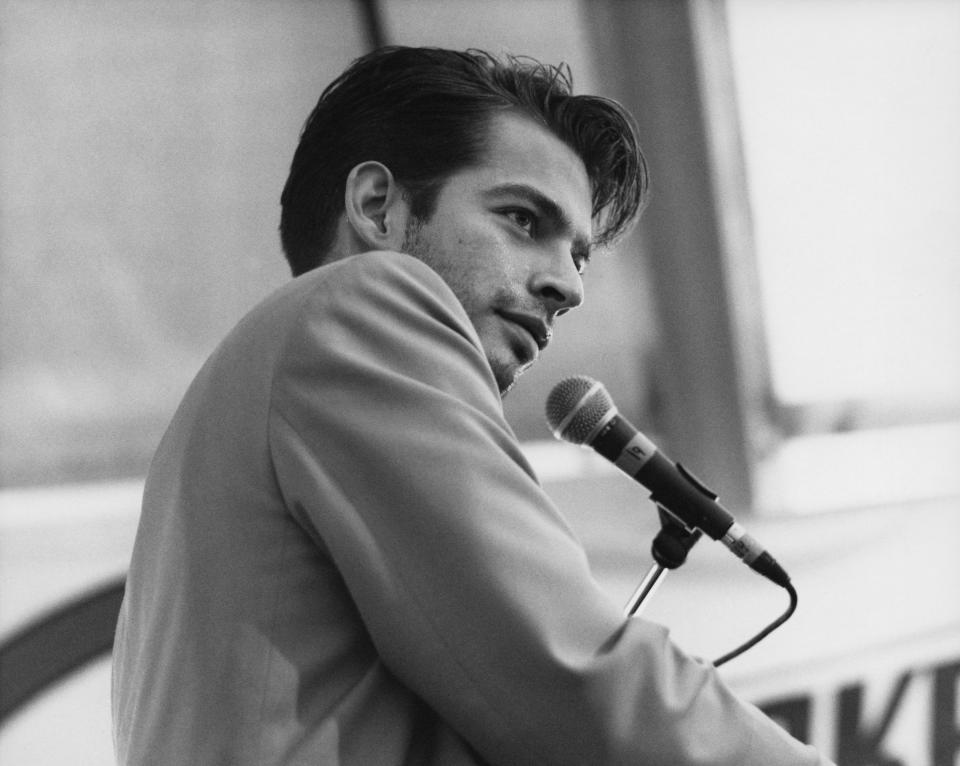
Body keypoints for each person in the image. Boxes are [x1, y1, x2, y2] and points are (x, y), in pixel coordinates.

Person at [112, 46, 834, 765]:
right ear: (375, 208)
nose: (568, 286)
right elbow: (570, 675)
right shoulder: (363, 308)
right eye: (523, 219)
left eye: (578, 256)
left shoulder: (248, 393)